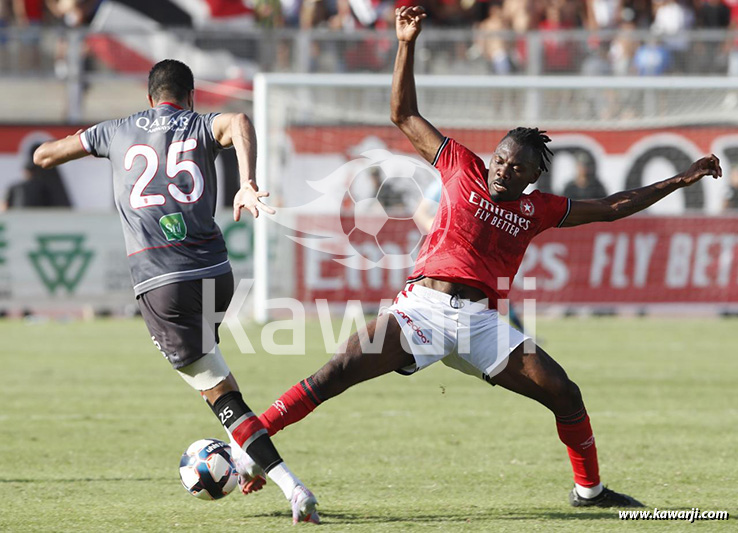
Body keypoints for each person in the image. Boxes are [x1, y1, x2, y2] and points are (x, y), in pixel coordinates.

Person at [242, 6, 720, 509]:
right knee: (336, 371)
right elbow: (403, 115)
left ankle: (590, 492)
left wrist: (681, 179)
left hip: (482, 324)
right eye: (500, 159)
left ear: (531, 178)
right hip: (421, 310)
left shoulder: (540, 208)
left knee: (565, 393)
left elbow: (614, 207)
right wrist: (406, 44)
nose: (502, 171)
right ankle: (247, 443)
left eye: (516, 169)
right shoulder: (458, 164)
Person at [32, 59, 319, 525]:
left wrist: (70, 146)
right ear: (191, 97)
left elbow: (44, 155)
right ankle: (245, 457)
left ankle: (292, 487)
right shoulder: (201, 124)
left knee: (221, 395)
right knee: (219, 379)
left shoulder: (115, 130)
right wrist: (246, 183)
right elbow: (240, 121)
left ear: (150, 98)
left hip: (160, 285)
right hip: (216, 276)